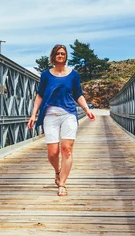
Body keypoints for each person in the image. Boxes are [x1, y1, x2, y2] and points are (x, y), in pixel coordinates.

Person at [27, 44, 96, 196]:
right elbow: (39, 95)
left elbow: (78, 94)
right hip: (50, 115)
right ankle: (57, 171)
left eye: (63, 53)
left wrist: (87, 110)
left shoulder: (73, 74)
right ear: (53, 56)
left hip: (69, 114)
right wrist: (33, 115)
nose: (60, 55)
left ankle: (63, 183)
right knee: (53, 153)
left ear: (66, 56)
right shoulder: (46, 75)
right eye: (58, 53)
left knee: (67, 149)